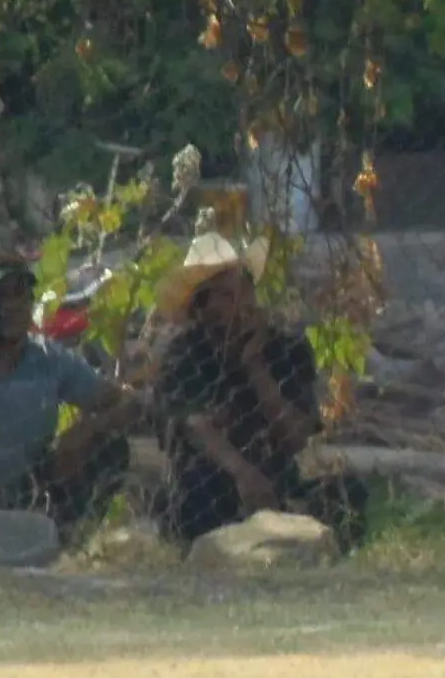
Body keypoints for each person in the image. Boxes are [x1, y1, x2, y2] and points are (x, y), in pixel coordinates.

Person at [154, 234, 363, 546]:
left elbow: (296, 436)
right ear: (201, 307)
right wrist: (244, 474)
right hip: (215, 474)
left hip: (276, 469)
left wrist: (256, 365)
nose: (240, 303)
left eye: (245, 291)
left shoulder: (286, 348)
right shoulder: (184, 354)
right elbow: (195, 425)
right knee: (196, 492)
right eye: (225, 296)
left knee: (347, 491)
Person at [0, 257, 138, 528]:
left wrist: (89, 427)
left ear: (30, 303)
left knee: (109, 447)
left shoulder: (48, 359)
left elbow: (124, 401)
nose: (10, 307)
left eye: (19, 295)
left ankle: (69, 538)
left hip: (30, 488)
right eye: (0, 297)